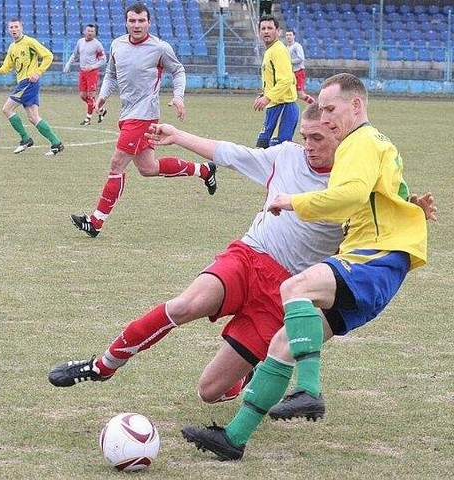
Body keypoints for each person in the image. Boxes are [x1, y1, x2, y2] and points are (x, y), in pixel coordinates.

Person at [48, 103, 436, 408]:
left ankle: (249, 368)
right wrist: (179, 135)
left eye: (318, 138)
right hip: (249, 256)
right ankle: (103, 366)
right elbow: (230, 154)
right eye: (306, 137)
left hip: (283, 293)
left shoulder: (354, 182)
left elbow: (386, 207)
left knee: (210, 391)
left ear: (339, 135)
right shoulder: (285, 156)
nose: (310, 147)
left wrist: (411, 204)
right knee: (185, 305)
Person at [181, 73, 430, 461]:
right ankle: (234, 439)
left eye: (331, 109)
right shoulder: (377, 143)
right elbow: (389, 192)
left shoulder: (358, 141)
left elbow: (348, 198)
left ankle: (309, 390)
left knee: (294, 289)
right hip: (379, 266)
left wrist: (293, 201)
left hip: (373, 258)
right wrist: (413, 208)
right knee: (283, 342)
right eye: (323, 109)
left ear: (356, 106)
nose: (326, 117)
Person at [69, 2, 217, 238]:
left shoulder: (159, 47)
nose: (137, 25)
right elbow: (111, 74)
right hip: (127, 114)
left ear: (149, 22)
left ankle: (96, 222)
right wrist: (103, 96)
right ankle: (204, 171)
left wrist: (178, 97)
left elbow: (178, 71)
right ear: (126, 22)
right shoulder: (117, 44)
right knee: (149, 168)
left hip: (144, 115)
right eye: (132, 20)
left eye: (141, 21)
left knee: (117, 164)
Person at [0, 18, 64, 156]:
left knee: (7, 109)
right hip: (24, 83)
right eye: (11, 27)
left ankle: (25, 139)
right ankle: (56, 143)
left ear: (21, 27)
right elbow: (7, 67)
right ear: (8, 30)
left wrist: (38, 72)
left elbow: (48, 56)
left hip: (28, 82)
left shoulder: (30, 42)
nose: (13, 29)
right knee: (33, 117)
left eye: (16, 26)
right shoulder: (12, 47)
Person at [254, 15, 299, 148]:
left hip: (284, 105)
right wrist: (264, 94)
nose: (266, 31)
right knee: (263, 146)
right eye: (263, 28)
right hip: (274, 105)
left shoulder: (279, 50)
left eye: (270, 28)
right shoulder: (270, 51)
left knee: (278, 149)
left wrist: (268, 97)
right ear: (259, 32)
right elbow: (272, 79)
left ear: (278, 31)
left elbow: (286, 80)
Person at [63, 23, 108, 126]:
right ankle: (100, 109)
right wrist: (68, 65)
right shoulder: (80, 42)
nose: (90, 33)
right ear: (84, 31)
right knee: (83, 96)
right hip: (82, 71)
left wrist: (92, 67)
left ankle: (88, 119)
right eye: (89, 31)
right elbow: (75, 55)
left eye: (92, 31)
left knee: (91, 96)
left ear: (95, 33)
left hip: (92, 73)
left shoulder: (97, 44)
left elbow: (103, 59)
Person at [285, 29, 315, 105]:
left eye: (290, 35)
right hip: (291, 73)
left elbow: (301, 58)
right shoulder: (286, 47)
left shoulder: (297, 46)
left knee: (300, 94)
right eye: (287, 35)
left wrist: (289, 62)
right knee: (289, 93)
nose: (288, 37)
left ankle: (314, 104)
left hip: (299, 72)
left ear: (294, 36)